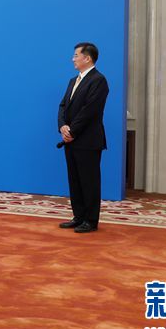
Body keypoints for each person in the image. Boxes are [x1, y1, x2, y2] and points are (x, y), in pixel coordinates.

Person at [57, 42, 109, 233]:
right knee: (75, 180)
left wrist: (72, 132)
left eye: (76, 55)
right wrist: (62, 126)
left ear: (87, 58)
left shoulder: (98, 80)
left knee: (89, 181)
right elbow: (63, 106)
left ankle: (90, 220)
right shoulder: (73, 80)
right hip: (71, 141)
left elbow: (90, 110)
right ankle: (78, 216)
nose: (73, 59)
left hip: (88, 140)